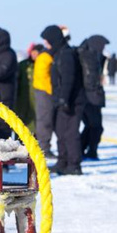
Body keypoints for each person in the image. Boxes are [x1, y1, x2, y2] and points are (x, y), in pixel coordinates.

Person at [40, 25, 85, 175]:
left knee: (70, 133)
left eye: (47, 41)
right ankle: (62, 161)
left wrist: (64, 99)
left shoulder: (66, 54)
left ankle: (74, 165)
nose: (46, 45)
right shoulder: (59, 53)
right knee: (60, 131)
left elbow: (68, 79)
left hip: (71, 101)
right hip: (61, 101)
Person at [78, 35, 109, 160]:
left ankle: (85, 149)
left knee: (92, 126)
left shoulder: (93, 56)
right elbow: (90, 80)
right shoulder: (88, 57)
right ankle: (87, 150)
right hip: (90, 97)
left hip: (91, 96)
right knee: (95, 126)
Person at [33, 45, 56, 159]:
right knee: (44, 120)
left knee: (45, 120)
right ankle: (44, 148)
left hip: (43, 91)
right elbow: (44, 77)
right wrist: (53, 90)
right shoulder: (46, 57)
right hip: (45, 91)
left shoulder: (44, 56)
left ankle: (44, 146)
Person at [16, 44, 43, 133]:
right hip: (22, 100)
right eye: (33, 52)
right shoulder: (23, 65)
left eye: (37, 53)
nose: (34, 55)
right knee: (20, 125)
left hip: (36, 101)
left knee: (34, 126)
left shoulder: (42, 66)